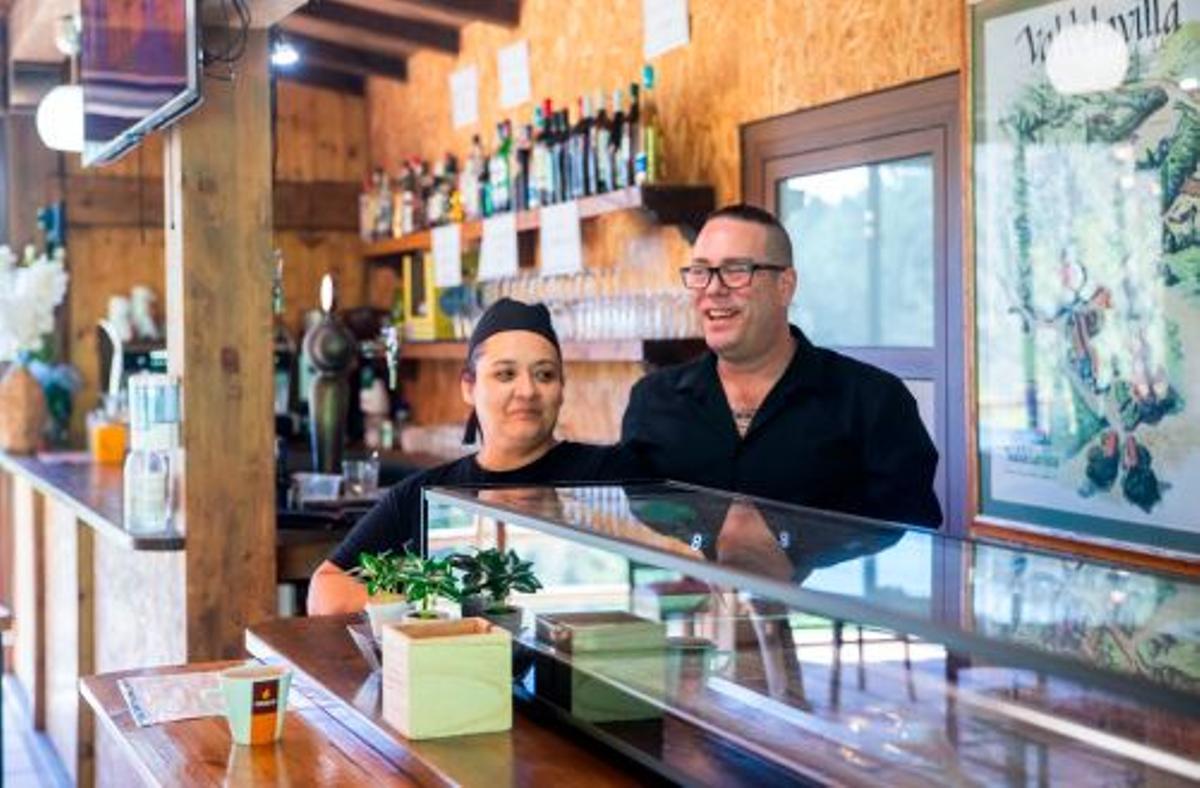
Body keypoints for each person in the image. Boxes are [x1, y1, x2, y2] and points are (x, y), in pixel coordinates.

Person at [308, 298, 638, 615]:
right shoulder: (424, 491)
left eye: (545, 375)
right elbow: (325, 590)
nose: (527, 390)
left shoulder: (612, 473)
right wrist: (429, 604)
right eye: (505, 374)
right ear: (469, 386)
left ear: (562, 388)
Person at [621, 204, 942, 527]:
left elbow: (914, 530)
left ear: (784, 286)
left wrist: (787, 546)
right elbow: (647, 508)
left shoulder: (877, 401)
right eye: (700, 271)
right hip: (695, 579)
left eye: (736, 270)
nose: (713, 288)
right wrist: (706, 542)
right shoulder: (653, 400)